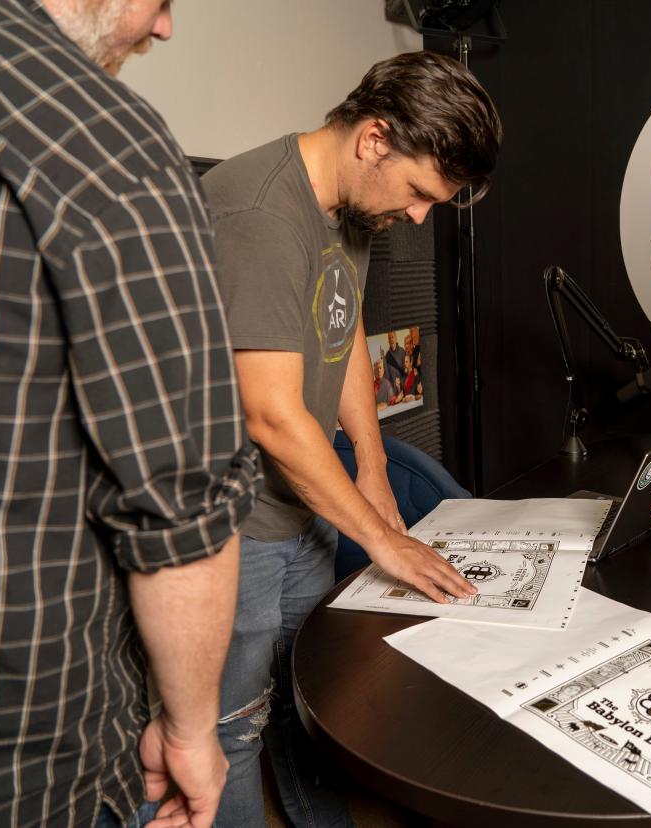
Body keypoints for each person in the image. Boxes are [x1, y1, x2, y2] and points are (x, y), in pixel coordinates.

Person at [0, 1, 262, 827]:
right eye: (160, 1)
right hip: (20, 763)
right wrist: (190, 728)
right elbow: (180, 499)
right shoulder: (89, 128)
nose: (163, 29)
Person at [202, 51, 501, 826]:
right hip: (228, 533)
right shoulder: (259, 212)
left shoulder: (348, 208)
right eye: (419, 192)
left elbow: (341, 329)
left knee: (315, 705)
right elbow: (267, 413)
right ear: (373, 138)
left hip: (298, 515)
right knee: (230, 735)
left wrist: (371, 465)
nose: (419, 216)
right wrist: (381, 539)